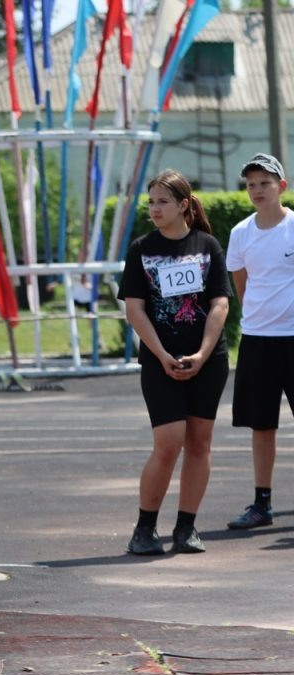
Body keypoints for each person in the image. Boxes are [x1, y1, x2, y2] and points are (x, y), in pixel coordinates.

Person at [117, 169, 230, 555]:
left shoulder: (208, 245)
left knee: (199, 443)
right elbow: (134, 310)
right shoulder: (141, 249)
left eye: (163, 202)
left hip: (207, 361)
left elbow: (220, 303)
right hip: (160, 360)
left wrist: (202, 354)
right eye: (151, 202)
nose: (154, 209)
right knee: (168, 443)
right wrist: (162, 355)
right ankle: (144, 529)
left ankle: (186, 528)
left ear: (183, 205)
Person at [225, 153, 294, 531]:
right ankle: (261, 503)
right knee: (261, 425)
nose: (257, 190)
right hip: (257, 340)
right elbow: (242, 287)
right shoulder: (240, 233)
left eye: (264, 183)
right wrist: (262, 318)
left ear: (281, 186)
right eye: (251, 184)